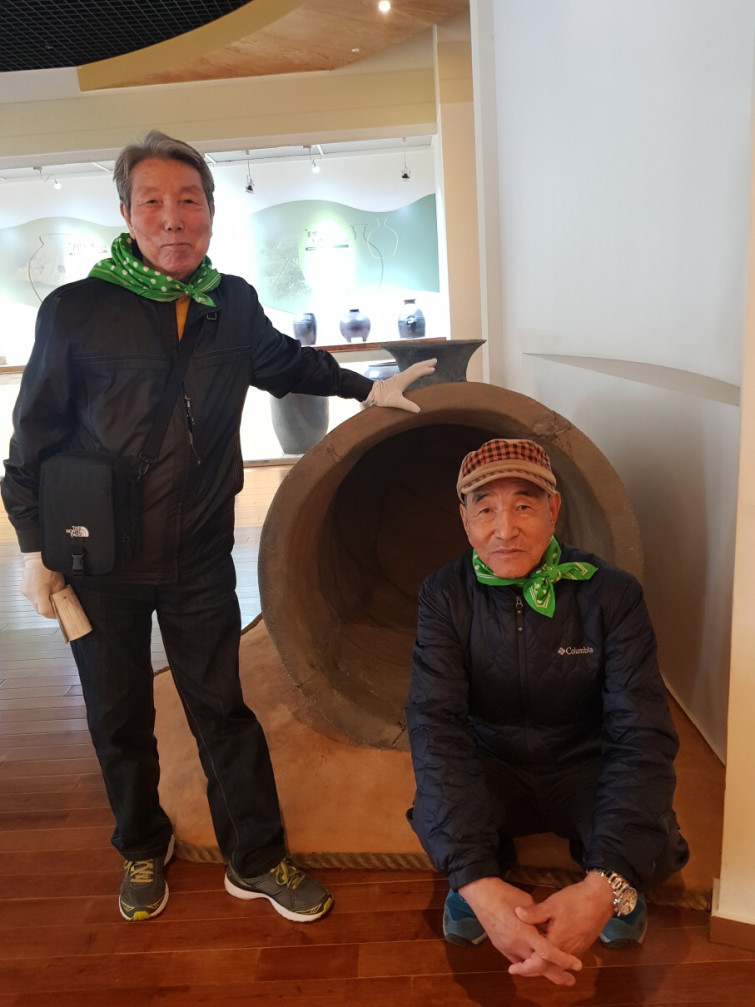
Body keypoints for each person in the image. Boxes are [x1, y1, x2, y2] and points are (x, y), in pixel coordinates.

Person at [2, 130, 435, 924]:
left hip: (198, 555)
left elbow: (285, 363)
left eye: (188, 200)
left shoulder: (229, 301)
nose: (173, 218)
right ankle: (141, 842)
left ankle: (256, 857)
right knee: (117, 715)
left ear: (209, 210)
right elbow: (33, 435)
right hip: (100, 561)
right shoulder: (76, 310)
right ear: (126, 213)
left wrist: (363, 388)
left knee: (222, 710)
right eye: (152, 202)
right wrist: (35, 546)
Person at [405, 438, 689, 987]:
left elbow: (642, 734)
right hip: (491, 758)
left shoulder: (613, 595)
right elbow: (433, 724)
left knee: (653, 837)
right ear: (464, 520)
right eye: (485, 509)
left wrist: (606, 883)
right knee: (442, 809)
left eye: (524, 505)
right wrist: (475, 880)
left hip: (583, 759)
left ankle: (611, 884)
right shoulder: (442, 594)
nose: (504, 530)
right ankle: (483, 874)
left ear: (554, 509)